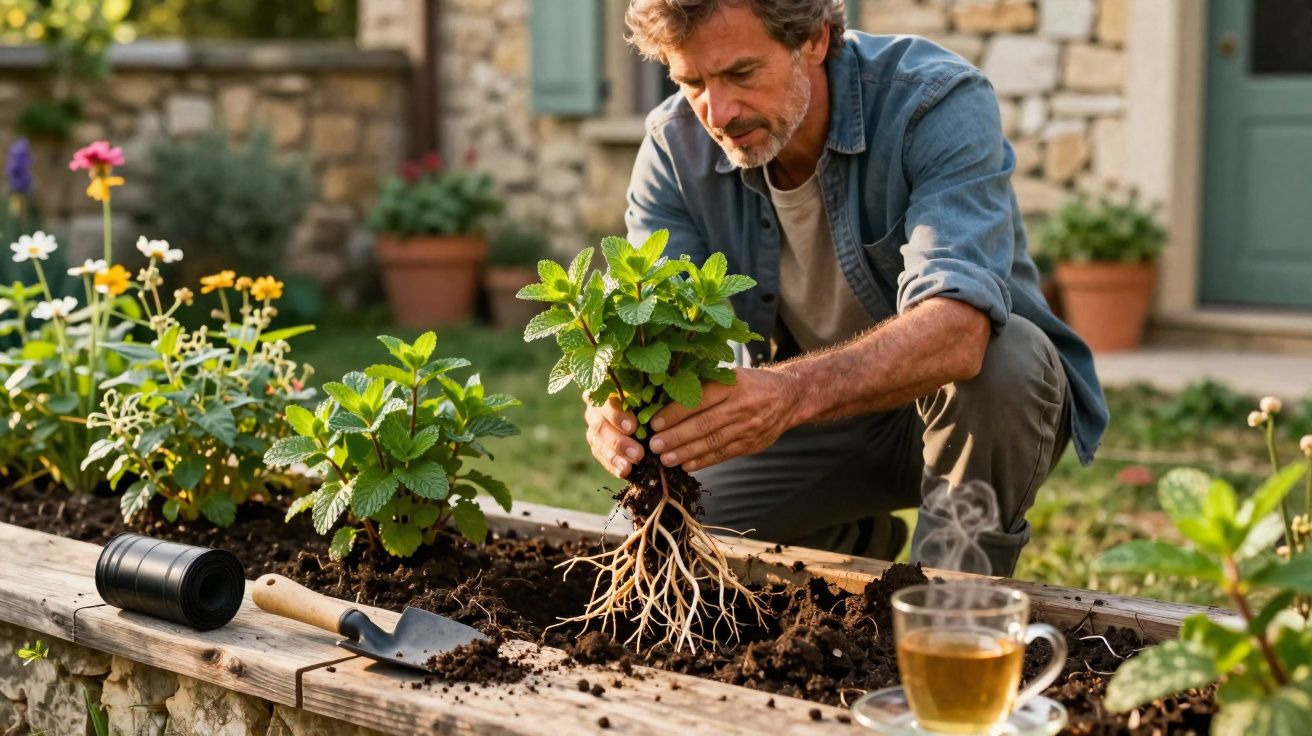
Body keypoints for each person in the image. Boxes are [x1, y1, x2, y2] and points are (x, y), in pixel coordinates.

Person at [583, 0, 1108, 576]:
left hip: (969, 410)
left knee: (1009, 359)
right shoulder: (674, 149)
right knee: (677, 531)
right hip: (817, 421)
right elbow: (653, 328)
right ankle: (852, 540)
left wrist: (787, 395)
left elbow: (959, 330)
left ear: (813, 37)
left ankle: (948, 610)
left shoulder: (934, 100)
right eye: (691, 81)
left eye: (740, 73)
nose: (718, 111)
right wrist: (617, 401)